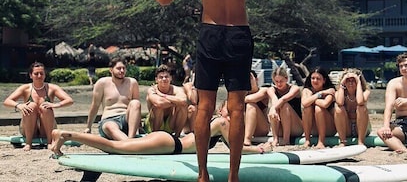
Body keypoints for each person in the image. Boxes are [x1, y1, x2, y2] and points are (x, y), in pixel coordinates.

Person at [134, 0, 321, 181]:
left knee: (203, 107)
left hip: (209, 35)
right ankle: (233, 177)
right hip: (238, 35)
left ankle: (202, 175)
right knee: (237, 108)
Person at [51, 100, 272, 157]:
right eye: (230, 111)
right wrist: (258, 150)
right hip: (170, 145)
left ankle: (66, 135)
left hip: (168, 142)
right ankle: (67, 134)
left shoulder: (213, 123)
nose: (233, 115)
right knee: (117, 147)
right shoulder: (220, 123)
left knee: (119, 146)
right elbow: (236, 148)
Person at [3, 62, 74, 151]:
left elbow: (69, 100)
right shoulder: (25, 88)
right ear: (30, 75)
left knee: (45, 107)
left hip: (47, 127)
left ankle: (49, 142)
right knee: (31, 106)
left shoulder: (52, 88)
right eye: (36, 74)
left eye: (41, 73)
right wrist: (19, 105)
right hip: (28, 127)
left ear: (45, 75)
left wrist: (55, 105)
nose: (39, 76)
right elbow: (7, 101)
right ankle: (28, 143)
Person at [85, 57, 142, 140]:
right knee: (110, 126)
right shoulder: (102, 83)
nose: (122, 71)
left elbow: (136, 109)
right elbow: (95, 106)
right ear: (111, 70)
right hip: (109, 119)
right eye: (119, 68)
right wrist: (88, 127)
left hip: (126, 119)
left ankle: (130, 139)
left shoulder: (132, 82)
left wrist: (139, 127)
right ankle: (129, 143)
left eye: (124, 68)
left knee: (135, 103)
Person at [377, 52, 407, 153]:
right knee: (381, 132)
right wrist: (386, 126)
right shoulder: (394, 83)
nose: (404, 68)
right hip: (403, 123)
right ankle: (403, 151)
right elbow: (389, 106)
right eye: (401, 66)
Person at [144, 64, 188, 137]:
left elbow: (184, 100)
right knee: (158, 108)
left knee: (182, 107)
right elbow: (159, 103)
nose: (164, 79)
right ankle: (155, 136)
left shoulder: (176, 89)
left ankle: (177, 136)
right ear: (156, 79)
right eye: (161, 77)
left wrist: (162, 95)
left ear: (170, 78)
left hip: (170, 122)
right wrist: (175, 102)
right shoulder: (152, 89)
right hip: (154, 123)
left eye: (166, 77)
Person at [334, 68, 371, 146]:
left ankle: (360, 142)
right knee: (339, 109)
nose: (350, 83)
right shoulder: (339, 93)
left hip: (362, 128)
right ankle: (343, 141)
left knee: (361, 108)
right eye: (348, 80)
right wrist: (342, 83)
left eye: (353, 80)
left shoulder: (366, 92)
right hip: (347, 127)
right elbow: (340, 103)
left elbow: (360, 101)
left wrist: (358, 82)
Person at [301, 67, 336, 148]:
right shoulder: (307, 90)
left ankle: (321, 141)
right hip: (313, 128)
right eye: (313, 78)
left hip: (329, 128)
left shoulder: (330, 90)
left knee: (318, 108)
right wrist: (319, 94)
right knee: (307, 109)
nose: (315, 81)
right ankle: (307, 140)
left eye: (318, 78)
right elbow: (304, 103)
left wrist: (312, 100)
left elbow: (325, 104)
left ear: (324, 80)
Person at [267, 67, 303, 146]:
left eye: (281, 81)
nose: (279, 84)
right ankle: (275, 138)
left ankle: (286, 140)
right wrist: (274, 109)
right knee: (275, 107)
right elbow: (274, 99)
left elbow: (284, 99)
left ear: (286, 79)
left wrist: (273, 108)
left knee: (284, 105)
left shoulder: (294, 88)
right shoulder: (271, 89)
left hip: (296, 127)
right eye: (276, 81)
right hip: (280, 126)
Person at [243, 70, 270, 146]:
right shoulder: (243, 93)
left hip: (261, 128)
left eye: (251, 78)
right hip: (245, 126)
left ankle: (247, 139)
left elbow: (250, 99)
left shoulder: (264, 91)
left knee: (251, 105)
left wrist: (237, 99)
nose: (249, 81)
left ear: (256, 79)